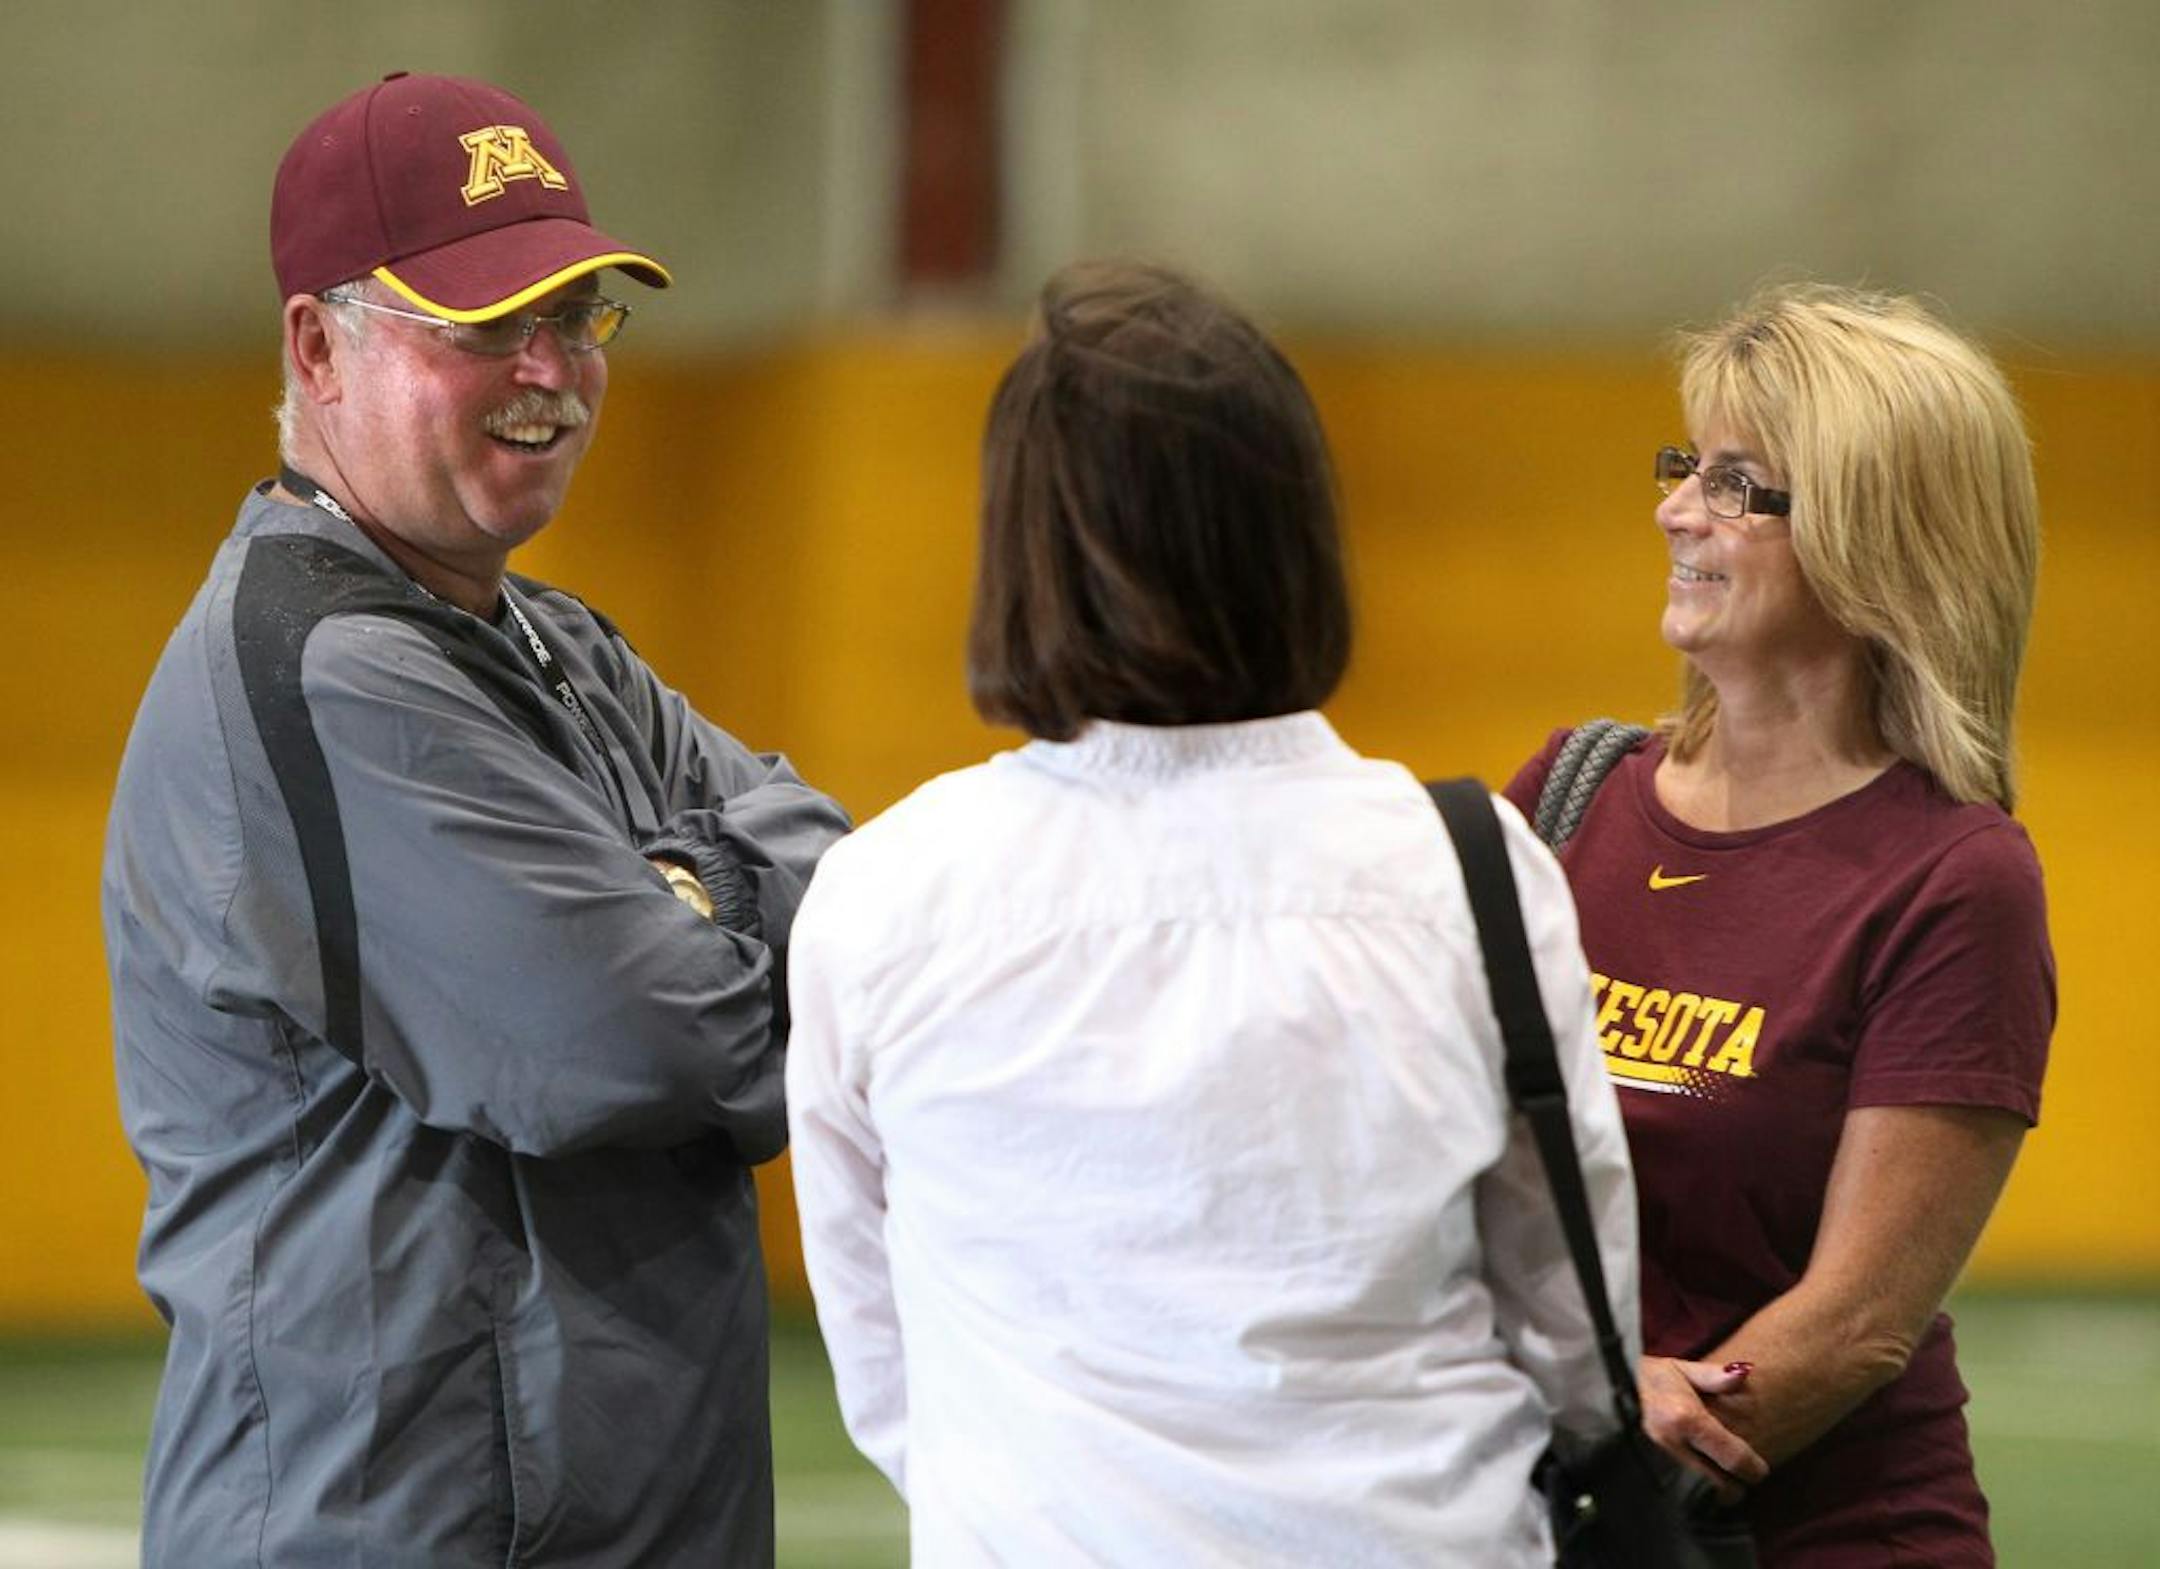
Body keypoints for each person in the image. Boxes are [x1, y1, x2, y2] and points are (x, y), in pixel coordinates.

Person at [785, 259, 1640, 1565]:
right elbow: (1579, 1328)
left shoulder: (885, 891)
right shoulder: (1469, 868)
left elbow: (881, 1357)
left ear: (1022, 550)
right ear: (1294, 533)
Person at [101, 72, 847, 1566]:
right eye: (484, 323)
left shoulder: (556, 642)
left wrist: (685, 891)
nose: (550, 369)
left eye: (575, 315)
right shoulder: (328, 666)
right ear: (318, 347)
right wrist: (726, 914)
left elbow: (851, 895)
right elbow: (651, 1043)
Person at [1504, 284, 2054, 1565]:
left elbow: (1853, 1324)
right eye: (1687, 467)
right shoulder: (1566, 798)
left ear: (1878, 537)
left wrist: (1616, 1437)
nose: (1676, 510)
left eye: (1738, 486)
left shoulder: (1955, 877)